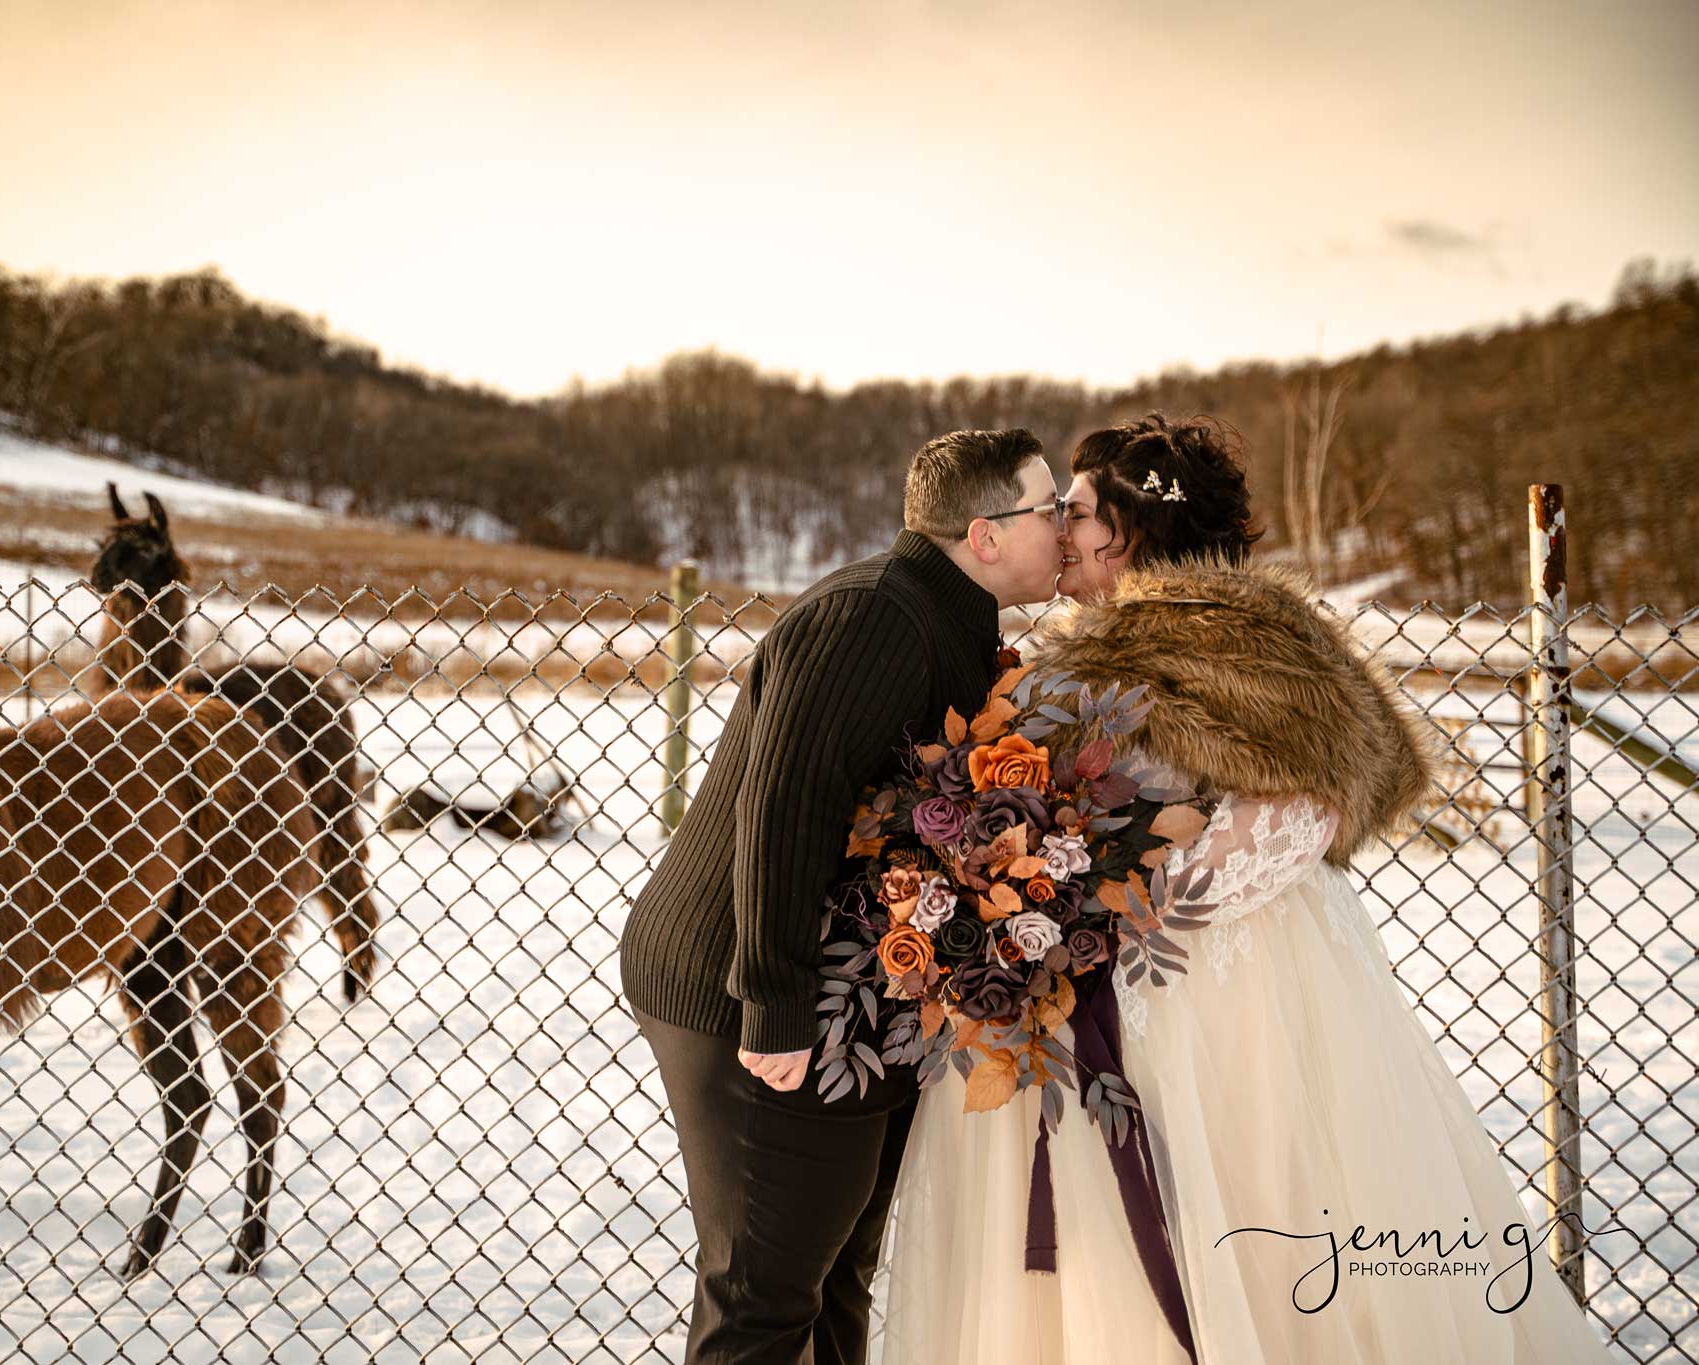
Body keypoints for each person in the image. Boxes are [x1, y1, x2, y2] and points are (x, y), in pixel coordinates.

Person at [880, 413, 1621, 1363]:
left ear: (1129, 531)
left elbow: (1305, 809)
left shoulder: (1246, 639)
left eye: (1077, 508)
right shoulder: (1068, 652)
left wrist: (1114, 894)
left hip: (1236, 978)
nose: (1060, 526)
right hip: (1091, 982)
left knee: (1260, 1202)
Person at [619, 428, 1068, 1364]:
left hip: (847, 998)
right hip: (746, 982)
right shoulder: (875, 616)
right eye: (1050, 506)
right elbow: (786, 808)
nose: (1065, 524)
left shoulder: (951, 622)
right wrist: (775, 1007)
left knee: (831, 1280)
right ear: (984, 535)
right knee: (765, 1295)